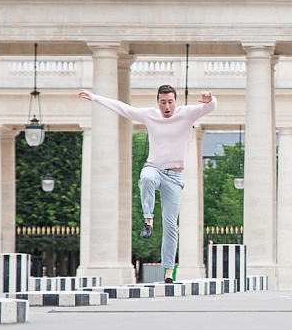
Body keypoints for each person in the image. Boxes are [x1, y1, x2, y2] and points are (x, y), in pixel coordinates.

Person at [78, 85, 216, 282]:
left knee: (170, 227)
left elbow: (210, 108)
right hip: (154, 167)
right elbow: (123, 108)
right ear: (157, 102)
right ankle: (148, 220)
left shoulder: (187, 114)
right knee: (147, 178)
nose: (166, 106)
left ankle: (168, 272)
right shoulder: (150, 115)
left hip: (175, 177)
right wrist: (95, 97)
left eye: (170, 102)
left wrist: (209, 100)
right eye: (163, 102)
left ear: (175, 102)